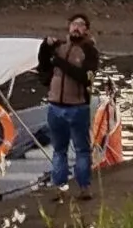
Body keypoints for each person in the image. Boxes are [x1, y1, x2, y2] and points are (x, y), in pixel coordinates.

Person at [38, 12, 107, 195]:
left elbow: (85, 77)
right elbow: (43, 65)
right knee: (58, 150)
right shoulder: (59, 47)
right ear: (68, 27)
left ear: (86, 30)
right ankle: (60, 188)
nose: (76, 27)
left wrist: (59, 62)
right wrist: (45, 47)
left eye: (81, 24)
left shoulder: (90, 52)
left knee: (81, 150)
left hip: (78, 107)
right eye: (73, 24)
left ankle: (84, 187)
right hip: (55, 106)